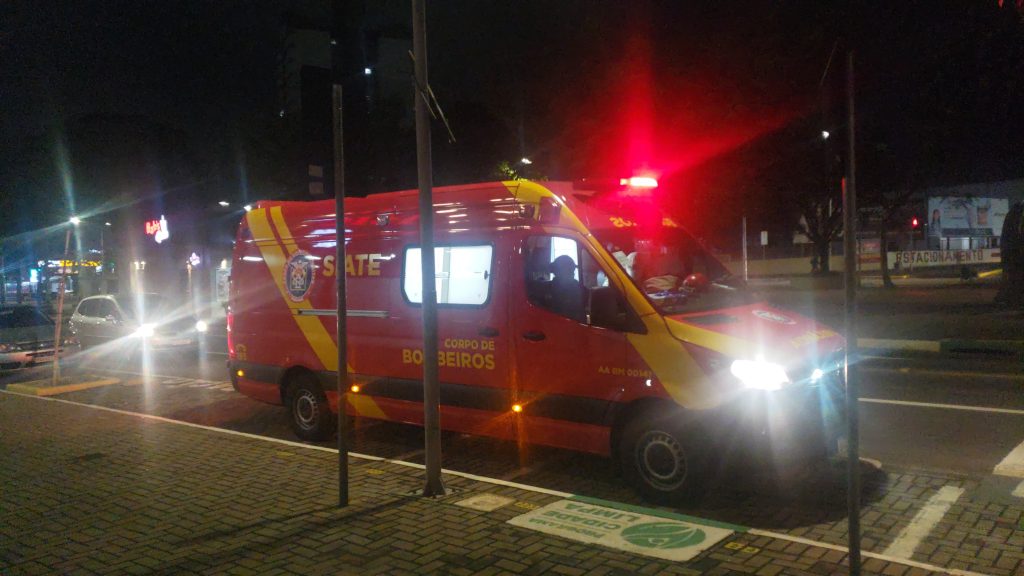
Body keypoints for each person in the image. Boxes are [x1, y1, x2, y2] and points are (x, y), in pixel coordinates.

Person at [548, 255, 585, 322]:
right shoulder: (572, 287)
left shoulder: (575, 285)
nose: (573, 273)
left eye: (573, 270)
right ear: (560, 272)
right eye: (570, 270)